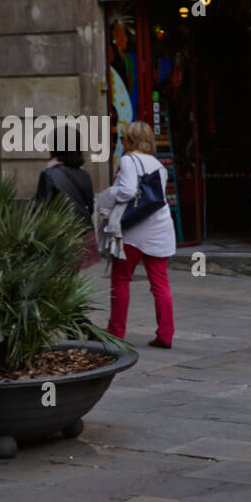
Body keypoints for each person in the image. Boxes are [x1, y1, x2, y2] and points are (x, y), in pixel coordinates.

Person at [106, 121, 175, 348]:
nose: (122, 142)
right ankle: (165, 334)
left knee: (120, 280)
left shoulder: (128, 160)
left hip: (133, 230)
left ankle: (116, 332)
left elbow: (126, 191)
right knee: (160, 284)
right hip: (160, 228)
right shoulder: (158, 165)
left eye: (124, 138)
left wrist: (106, 195)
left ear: (131, 140)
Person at [34, 134, 98, 269]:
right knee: (71, 279)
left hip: (58, 237)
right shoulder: (84, 174)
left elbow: (40, 209)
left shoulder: (48, 174)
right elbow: (90, 207)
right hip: (82, 235)